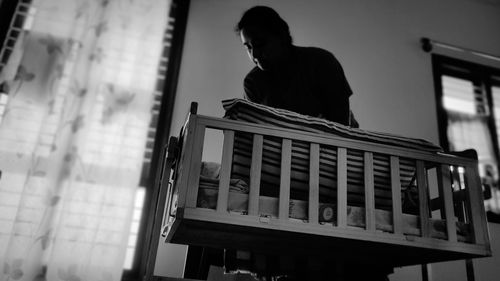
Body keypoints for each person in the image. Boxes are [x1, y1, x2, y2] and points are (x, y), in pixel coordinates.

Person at [236, 5, 357, 127]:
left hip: (336, 142)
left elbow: (341, 126)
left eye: (260, 44)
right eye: (248, 47)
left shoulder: (321, 62)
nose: (254, 54)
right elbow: (255, 132)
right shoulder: (252, 82)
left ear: (281, 36)